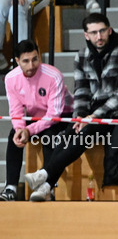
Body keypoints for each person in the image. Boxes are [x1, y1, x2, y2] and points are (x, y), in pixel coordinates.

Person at [22, 14, 118, 202]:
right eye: (93, 33)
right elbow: (81, 92)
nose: (99, 36)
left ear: (109, 30)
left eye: (102, 31)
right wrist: (79, 117)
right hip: (92, 112)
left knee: (86, 133)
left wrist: (93, 116)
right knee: (69, 132)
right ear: (86, 35)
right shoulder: (82, 56)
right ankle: (46, 186)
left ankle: (45, 173)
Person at [2, 40, 72, 201]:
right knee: (14, 134)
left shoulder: (54, 76)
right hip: (35, 117)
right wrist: (21, 129)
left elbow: (53, 115)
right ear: (17, 61)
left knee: (49, 134)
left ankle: (48, 187)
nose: (32, 65)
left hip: (61, 116)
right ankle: (10, 187)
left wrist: (30, 130)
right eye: (26, 61)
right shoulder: (11, 78)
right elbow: (16, 110)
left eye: (35, 59)